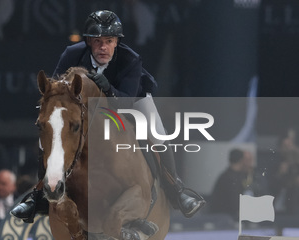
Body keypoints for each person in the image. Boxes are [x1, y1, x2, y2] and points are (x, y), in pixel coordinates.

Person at [10, 10, 204, 223]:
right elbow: (57, 90)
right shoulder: (71, 54)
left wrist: (109, 89)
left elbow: (126, 103)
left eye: (109, 41)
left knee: (157, 133)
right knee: (49, 135)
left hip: (131, 99)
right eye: (98, 41)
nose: (103, 47)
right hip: (85, 104)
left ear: (116, 42)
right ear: (88, 42)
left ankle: (176, 188)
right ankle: (38, 195)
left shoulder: (130, 59)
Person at [209, 148, 256, 220]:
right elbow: (235, 204)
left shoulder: (227, 176)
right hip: (225, 218)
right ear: (241, 160)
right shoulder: (230, 179)